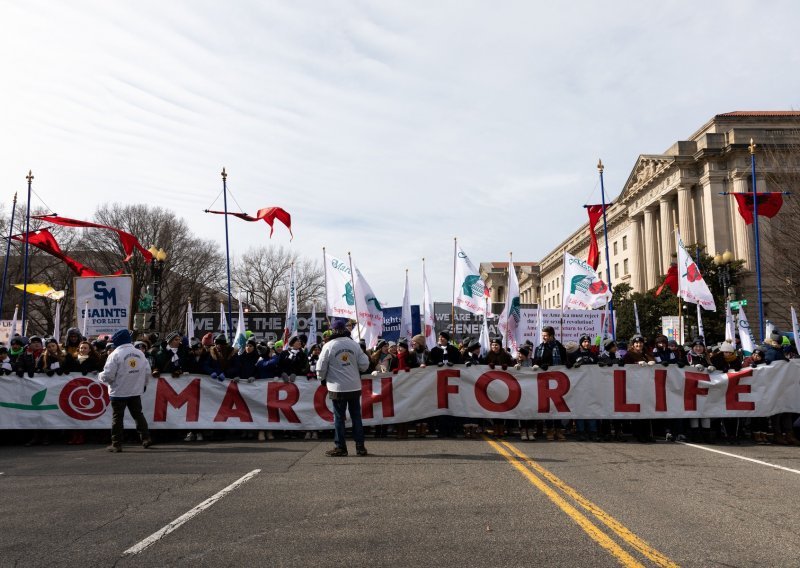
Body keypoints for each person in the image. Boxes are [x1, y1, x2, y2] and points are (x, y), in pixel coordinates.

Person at [316, 318, 370, 456]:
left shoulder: (329, 346)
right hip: (354, 386)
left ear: (333, 330)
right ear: (345, 330)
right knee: (356, 416)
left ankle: (340, 447)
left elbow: (321, 367)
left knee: (339, 417)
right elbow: (364, 365)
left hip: (337, 387)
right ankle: (360, 447)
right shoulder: (354, 345)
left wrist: (321, 378)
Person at [98, 329, 152, 452]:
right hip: (135, 391)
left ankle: (116, 444)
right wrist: (143, 385)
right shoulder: (140, 353)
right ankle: (146, 438)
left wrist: (100, 376)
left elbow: (109, 375)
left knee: (117, 418)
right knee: (138, 415)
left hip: (119, 391)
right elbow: (147, 371)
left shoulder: (115, 354)